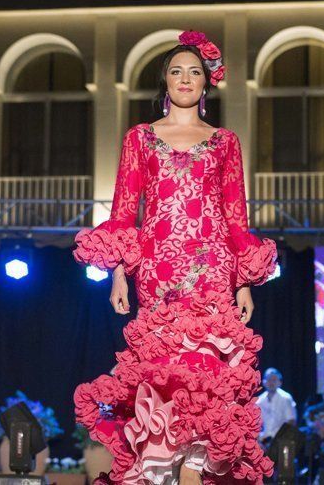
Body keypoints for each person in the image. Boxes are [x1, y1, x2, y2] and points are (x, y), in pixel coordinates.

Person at [72, 30, 277, 484]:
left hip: (213, 274)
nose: (186, 79)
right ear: (164, 80)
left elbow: (234, 215)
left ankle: (196, 476)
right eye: (176, 71)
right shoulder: (140, 139)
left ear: (207, 83)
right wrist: (119, 276)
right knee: (164, 382)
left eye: (195, 72)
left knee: (208, 379)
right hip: (158, 274)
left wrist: (242, 281)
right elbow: (124, 210)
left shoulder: (225, 142)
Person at [257, 368, 297, 446]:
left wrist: (280, 438)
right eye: (268, 380)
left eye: (274, 380)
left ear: (279, 382)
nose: (271, 382)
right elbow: (257, 424)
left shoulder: (286, 398)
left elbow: (291, 420)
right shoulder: (259, 401)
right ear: (264, 382)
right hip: (263, 440)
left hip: (282, 440)